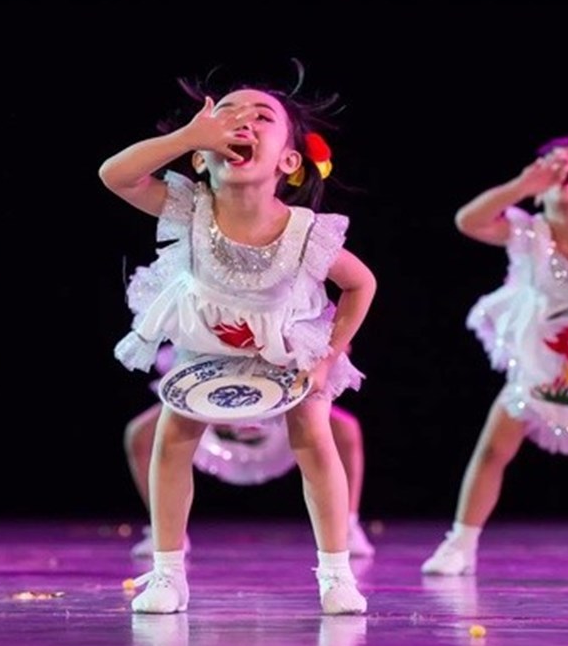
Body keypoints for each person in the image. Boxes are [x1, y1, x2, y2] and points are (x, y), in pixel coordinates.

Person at [99, 65, 377, 615]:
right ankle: (167, 574)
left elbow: (360, 283)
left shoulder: (303, 231)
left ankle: (337, 573)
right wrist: (184, 137)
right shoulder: (189, 207)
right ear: (203, 158)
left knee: (313, 435)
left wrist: (329, 356)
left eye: (261, 117)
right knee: (173, 434)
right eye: (227, 114)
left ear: (289, 161)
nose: (242, 123)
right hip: (207, 344)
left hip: (285, 348)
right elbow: (114, 174)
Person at [421, 135, 568, 576]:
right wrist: (520, 186)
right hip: (541, 360)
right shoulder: (529, 231)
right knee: (493, 449)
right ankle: (460, 544)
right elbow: (468, 220)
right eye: (551, 161)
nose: (563, 163)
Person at [125, 344, 376, 559]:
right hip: (217, 377)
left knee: (345, 430)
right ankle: (164, 530)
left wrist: (321, 358)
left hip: (280, 382)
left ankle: (347, 526)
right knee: (142, 435)